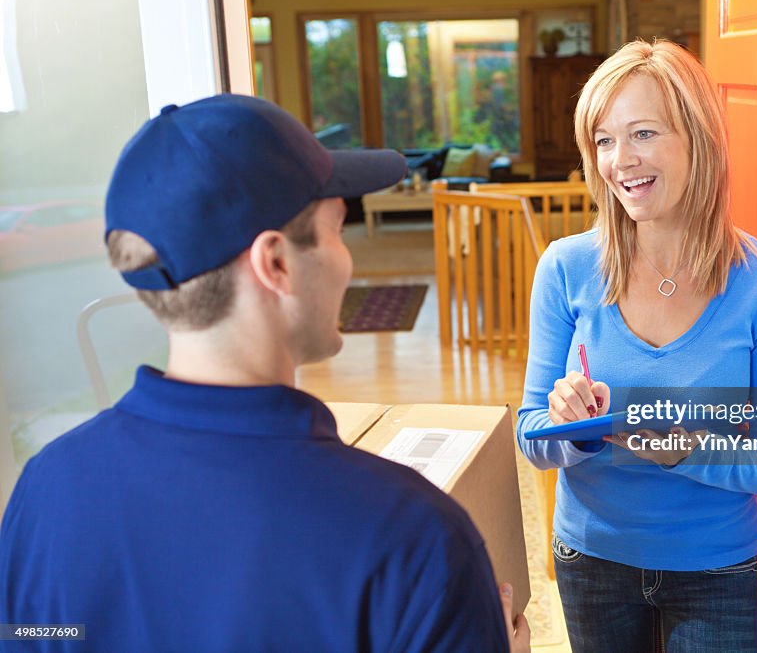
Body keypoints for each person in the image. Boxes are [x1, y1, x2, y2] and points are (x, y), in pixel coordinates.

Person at [0, 94, 529, 652]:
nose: (346, 259)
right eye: (337, 229)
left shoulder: (47, 488)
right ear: (276, 263)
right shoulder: (411, 537)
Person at [517, 39, 757, 652]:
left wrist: (685, 451)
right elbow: (532, 437)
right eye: (602, 140)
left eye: (643, 132)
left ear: (697, 139)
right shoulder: (565, 268)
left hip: (717, 573)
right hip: (590, 561)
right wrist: (571, 427)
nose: (619, 160)